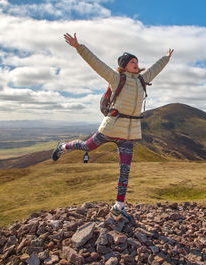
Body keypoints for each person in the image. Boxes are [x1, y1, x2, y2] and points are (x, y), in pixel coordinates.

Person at [52, 33, 173, 220]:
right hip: (110, 128)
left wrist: (166, 58)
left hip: (129, 133)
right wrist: (79, 47)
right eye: (132, 61)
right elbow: (96, 64)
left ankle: (119, 205)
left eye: (137, 61)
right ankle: (63, 147)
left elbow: (156, 68)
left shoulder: (142, 79)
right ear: (124, 65)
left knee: (125, 170)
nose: (136, 63)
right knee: (86, 147)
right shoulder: (116, 78)